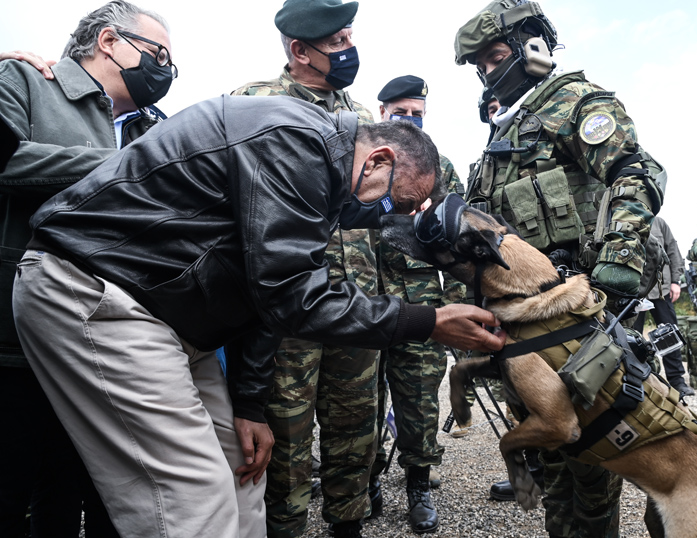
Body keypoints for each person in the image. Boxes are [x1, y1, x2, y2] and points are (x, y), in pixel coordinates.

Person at [10, 95, 505, 538]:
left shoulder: (322, 166)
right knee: (192, 498)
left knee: (241, 470)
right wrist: (427, 321)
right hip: (100, 291)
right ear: (377, 160)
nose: (389, 219)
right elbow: (292, 296)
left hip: (173, 317)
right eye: (394, 203)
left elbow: (261, 296)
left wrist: (247, 406)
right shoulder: (295, 142)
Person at [454, 1, 665, 536]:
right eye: (479, 65)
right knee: (549, 447)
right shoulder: (503, 134)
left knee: (593, 451)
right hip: (527, 317)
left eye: (494, 56)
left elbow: (634, 174)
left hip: (583, 307)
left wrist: (619, 258)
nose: (488, 71)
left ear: (532, 47)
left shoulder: (573, 102)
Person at [0, 2, 176, 535]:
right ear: (108, 41)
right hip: (18, 345)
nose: (165, 69)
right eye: (158, 53)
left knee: (95, 498)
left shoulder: (156, 127)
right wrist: (124, 166)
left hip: (109, 348)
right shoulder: (25, 79)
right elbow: (8, 161)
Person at [230, 2, 379, 536]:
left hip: (355, 301)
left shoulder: (362, 116)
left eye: (349, 37)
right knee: (286, 435)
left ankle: (348, 524)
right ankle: (285, 527)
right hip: (286, 308)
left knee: (354, 425)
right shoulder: (253, 103)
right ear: (300, 50)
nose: (349, 50)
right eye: (338, 41)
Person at [369, 74, 466, 535]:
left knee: (419, 401)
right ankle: (362, 479)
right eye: (400, 112)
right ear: (381, 110)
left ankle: (418, 484)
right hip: (362, 297)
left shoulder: (438, 166)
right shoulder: (362, 160)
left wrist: (455, 305)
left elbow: (463, 239)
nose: (408, 120)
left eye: (417, 114)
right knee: (359, 401)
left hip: (422, 300)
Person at [631, 216, 694, 397]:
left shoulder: (658, 222)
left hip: (661, 288)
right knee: (632, 337)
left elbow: (673, 250)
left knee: (670, 336)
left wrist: (675, 280)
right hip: (634, 290)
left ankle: (677, 381)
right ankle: (640, 381)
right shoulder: (620, 217)